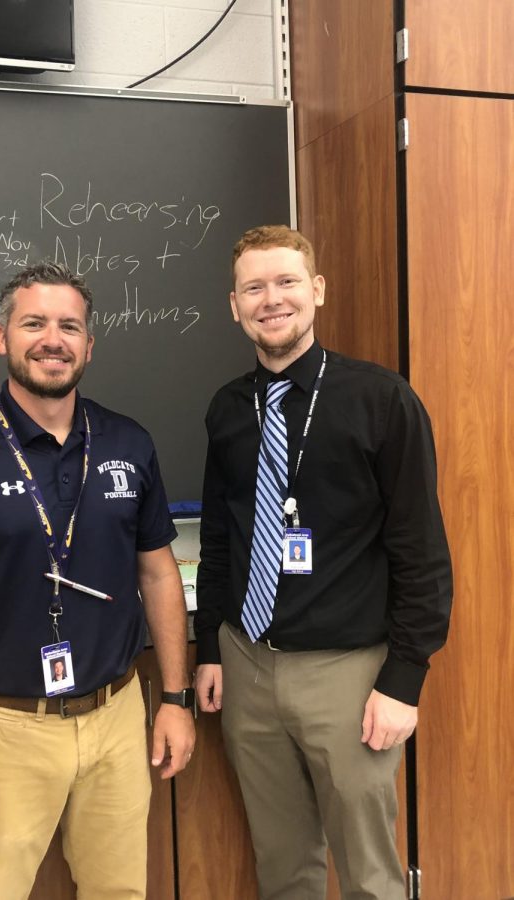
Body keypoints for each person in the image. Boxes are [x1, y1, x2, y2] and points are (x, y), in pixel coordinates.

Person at [0, 260, 195, 900]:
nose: (53, 339)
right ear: (2, 337)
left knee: (121, 893)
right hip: (2, 729)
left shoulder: (128, 443)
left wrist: (174, 698)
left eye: (69, 326)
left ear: (88, 344)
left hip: (116, 717)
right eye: (34, 323)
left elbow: (159, 575)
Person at [194, 226, 452, 900]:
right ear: (234, 305)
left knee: (368, 875)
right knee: (283, 869)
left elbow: (420, 547)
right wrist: (210, 649)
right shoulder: (226, 408)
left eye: (284, 282)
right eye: (253, 287)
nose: (269, 299)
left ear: (316, 291)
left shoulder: (380, 399)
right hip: (247, 664)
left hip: (347, 673)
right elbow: (221, 538)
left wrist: (404, 679)